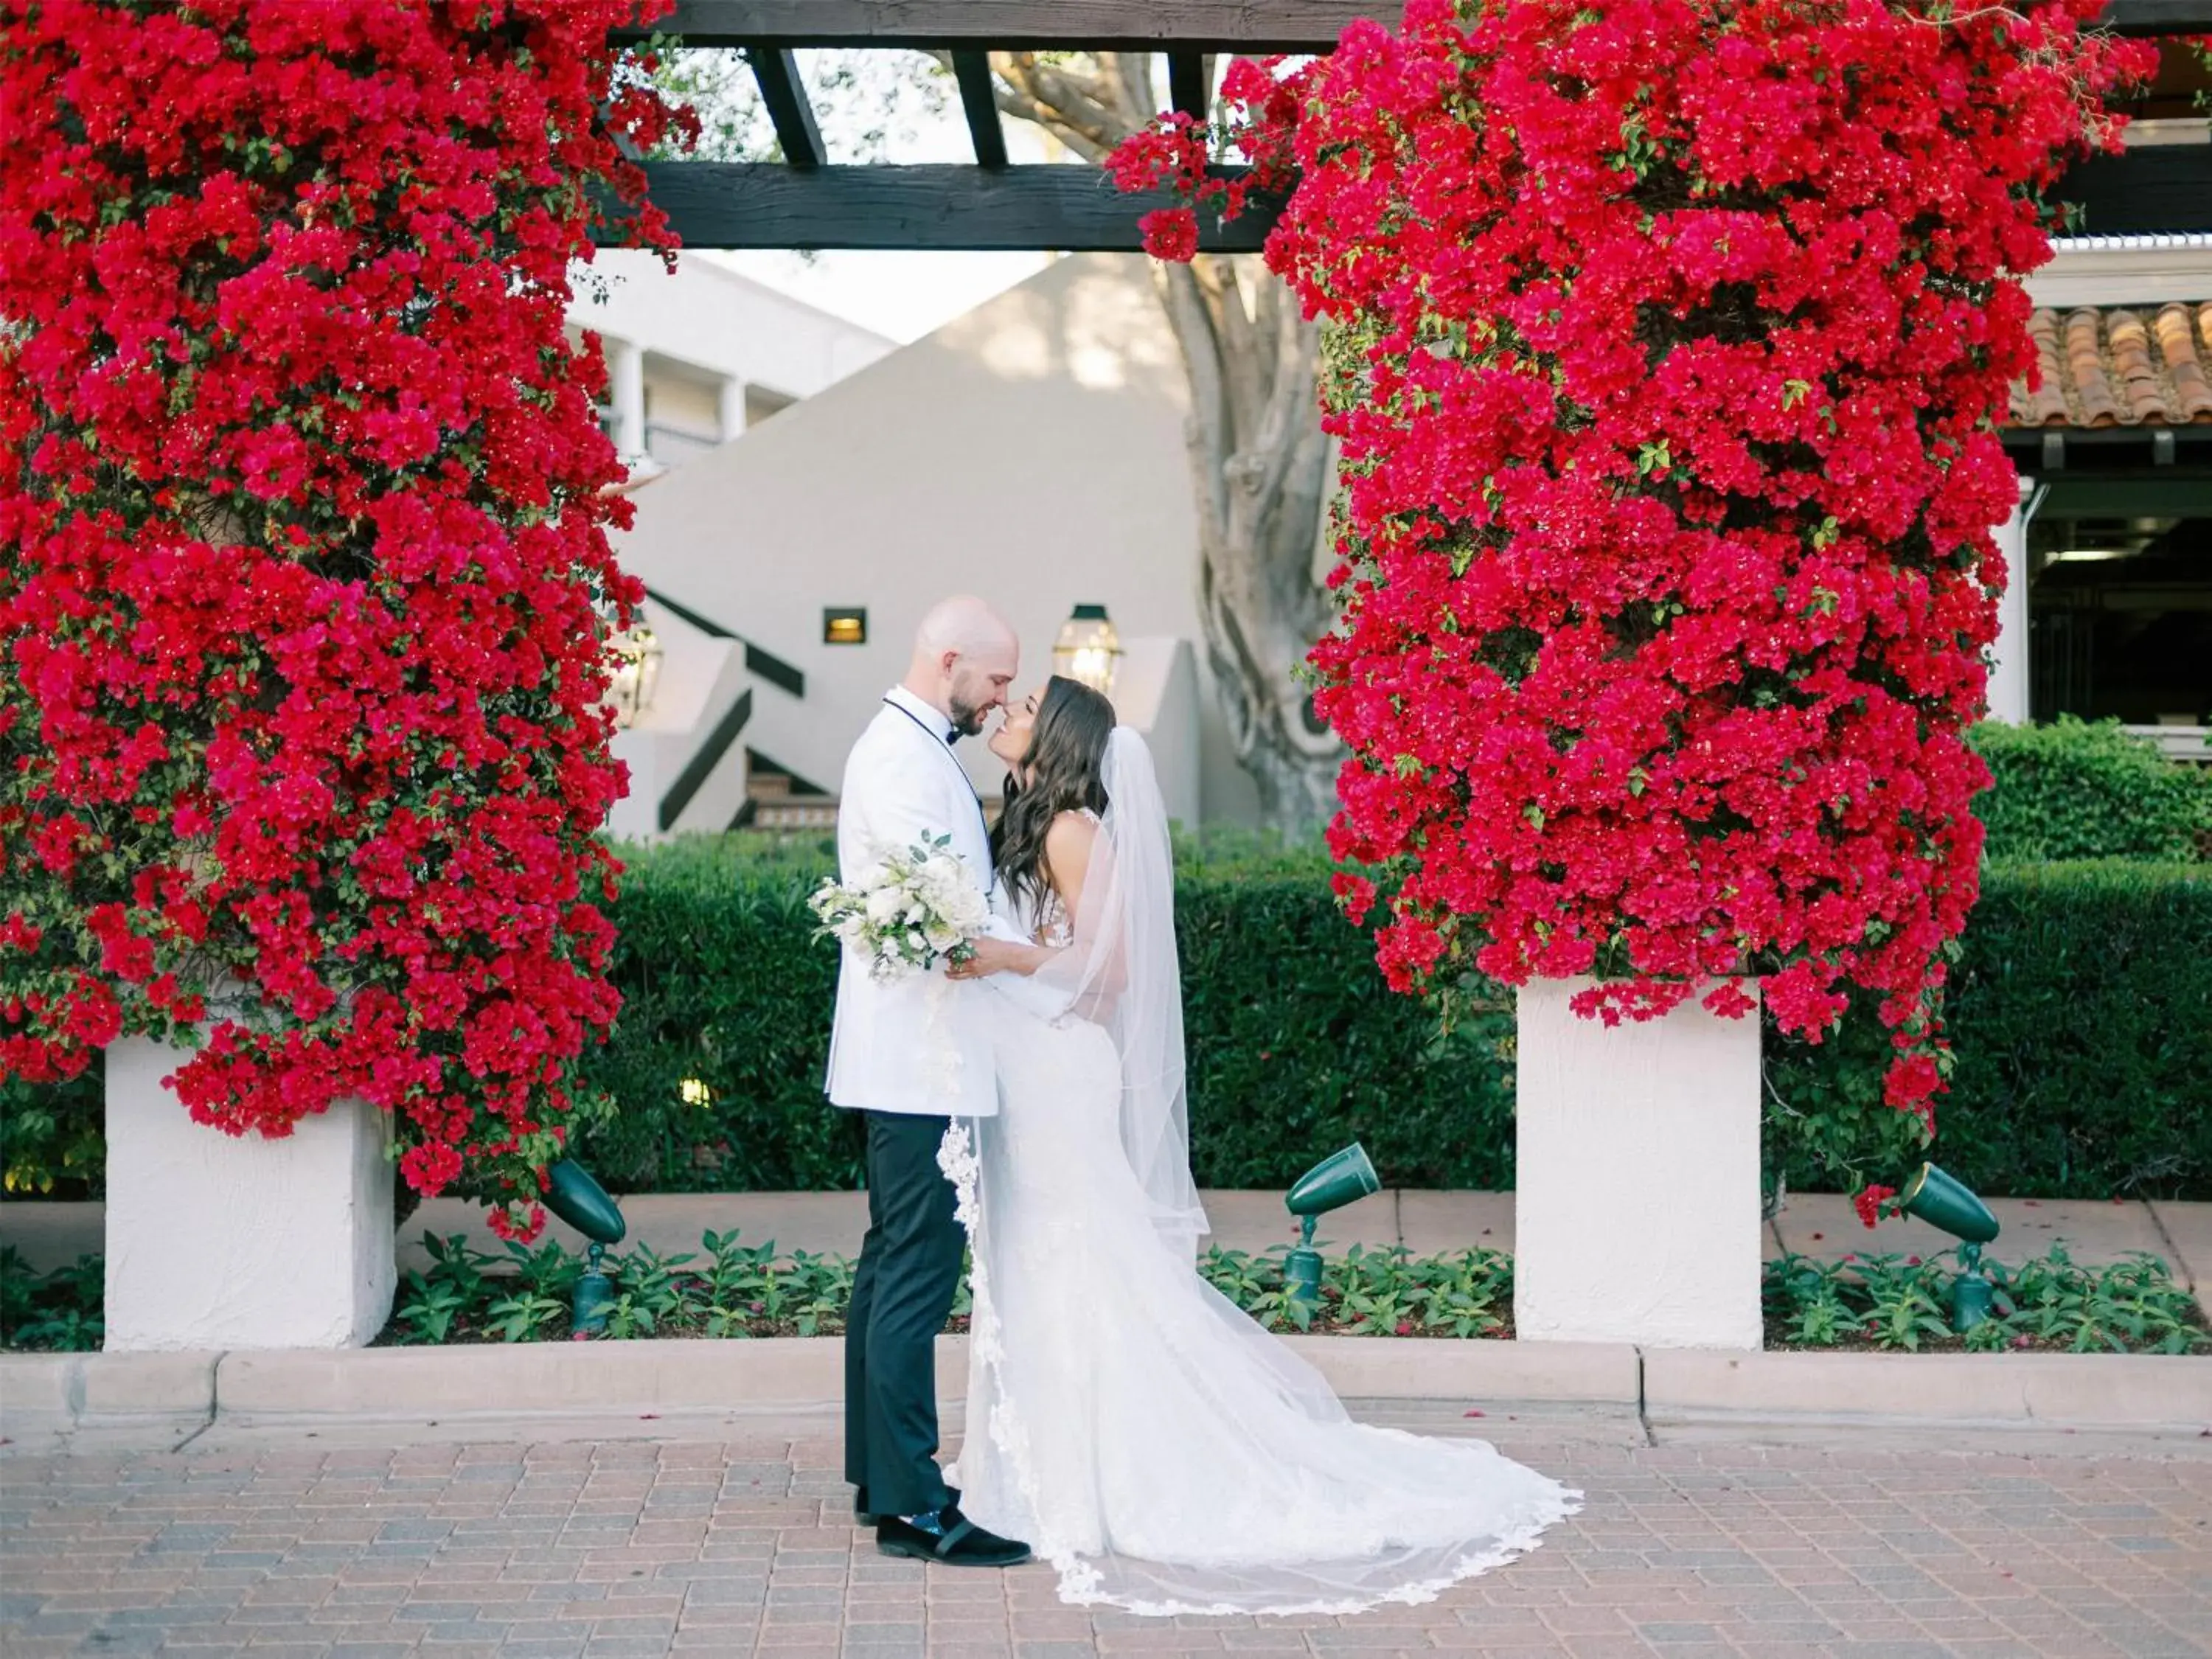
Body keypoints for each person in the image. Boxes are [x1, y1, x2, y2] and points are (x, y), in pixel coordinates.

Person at [941, 677, 1581, 1615]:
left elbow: (1108, 972)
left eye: (1029, 704)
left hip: (1063, 1076)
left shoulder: (1074, 829)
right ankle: (1032, 1463)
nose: (1010, 712)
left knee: (1075, 1259)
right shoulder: (1030, 822)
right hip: (1029, 1073)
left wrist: (1003, 958)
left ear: (1064, 737)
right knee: (1034, 1263)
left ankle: (1089, 1476)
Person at [825, 596, 1032, 1569]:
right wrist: (1037, 955)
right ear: (951, 660)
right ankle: (912, 1502)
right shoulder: (904, 759)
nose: (999, 703)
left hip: (913, 1053)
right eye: (994, 681)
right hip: (921, 1058)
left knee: (890, 1266)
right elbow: (941, 926)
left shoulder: (908, 747)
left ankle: (884, 1478)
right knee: (914, 1273)